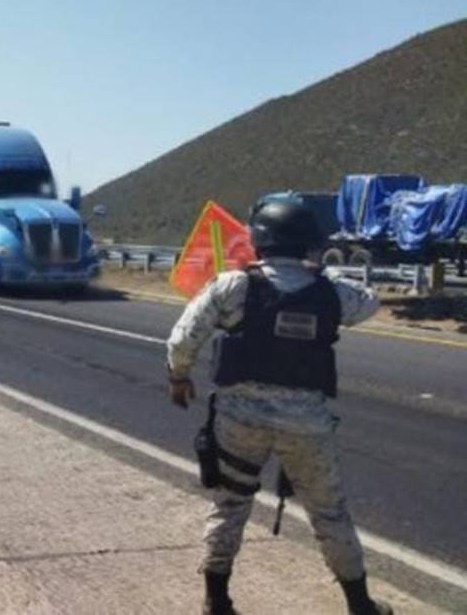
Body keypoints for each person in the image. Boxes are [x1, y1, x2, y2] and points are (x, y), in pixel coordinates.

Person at [166, 200, 391, 615]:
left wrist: (180, 376)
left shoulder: (233, 286)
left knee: (230, 504)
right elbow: (371, 301)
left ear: (259, 240)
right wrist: (324, 270)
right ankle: (360, 605)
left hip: (240, 421)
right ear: (307, 243)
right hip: (307, 425)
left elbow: (182, 340)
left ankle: (217, 602)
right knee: (329, 512)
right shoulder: (332, 292)